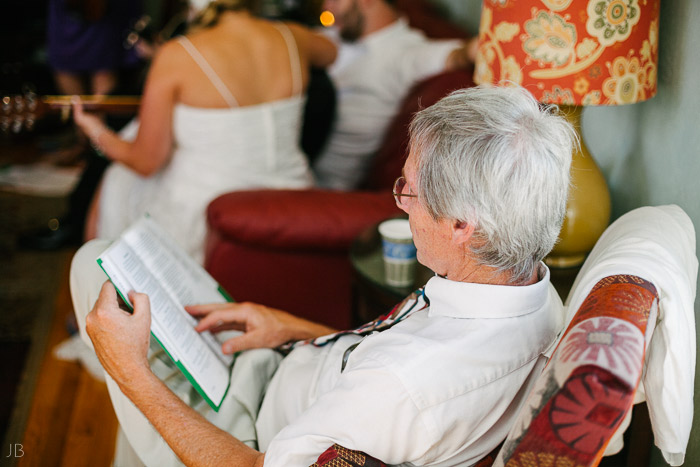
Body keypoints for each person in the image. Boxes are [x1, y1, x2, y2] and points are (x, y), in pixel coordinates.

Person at [70, 85, 576, 466]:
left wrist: (127, 368)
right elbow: (379, 364)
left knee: (92, 265)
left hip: (251, 430)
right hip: (288, 368)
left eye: (410, 191)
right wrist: (291, 328)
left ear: (463, 225)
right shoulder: (533, 291)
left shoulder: (403, 384)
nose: (400, 204)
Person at [71, 0, 337, 263]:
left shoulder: (177, 55)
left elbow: (147, 162)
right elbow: (331, 52)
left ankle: (101, 294)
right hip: (291, 195)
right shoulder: (292, 37)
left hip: (208, 211)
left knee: (117, 180)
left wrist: (97, 131)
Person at [312, 0, 478, 190]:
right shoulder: (336, 34)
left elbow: (461, 54)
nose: (326, 8)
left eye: (334, 0)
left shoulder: (405, 53)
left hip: (323, 184)